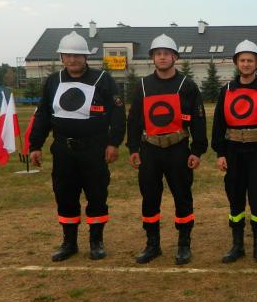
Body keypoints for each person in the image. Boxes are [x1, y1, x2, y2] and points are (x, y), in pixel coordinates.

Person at [29, 31, 125, 261]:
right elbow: (43, 115)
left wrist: (114, 143)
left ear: (85, 57)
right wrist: (35, 145)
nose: (72, 59)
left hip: (94, 149)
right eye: (68, 55)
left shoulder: (103, 80)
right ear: (62, 57)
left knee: (97, 195)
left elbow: (118, 114)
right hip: (64, 150)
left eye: (77, 55)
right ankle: (69, 243)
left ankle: (96, 242)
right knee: (65, 195)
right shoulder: (53, 81)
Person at [126, 34, 207, 265]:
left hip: (178, 149)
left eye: (166, 54)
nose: (162, 57)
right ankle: (152, 244)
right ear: (152, 58)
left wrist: (197, 150)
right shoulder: (143, 85)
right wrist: (133, 148)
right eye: (158, 54)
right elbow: (134, 120)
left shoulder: (187, 85)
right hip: (149, 149)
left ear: (175, 57)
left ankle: (184, 244)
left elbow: (198, 120)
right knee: (150, 198)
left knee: (183, 196)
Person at [212, 40, 257, 264]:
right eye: (242, 60)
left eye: (250, 60)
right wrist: (220, 153)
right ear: (236, 63)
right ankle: (237, 244)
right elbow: (219, 124)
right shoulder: (226, 90)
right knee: (235, 198)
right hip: (233, 152)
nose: (246, 64)